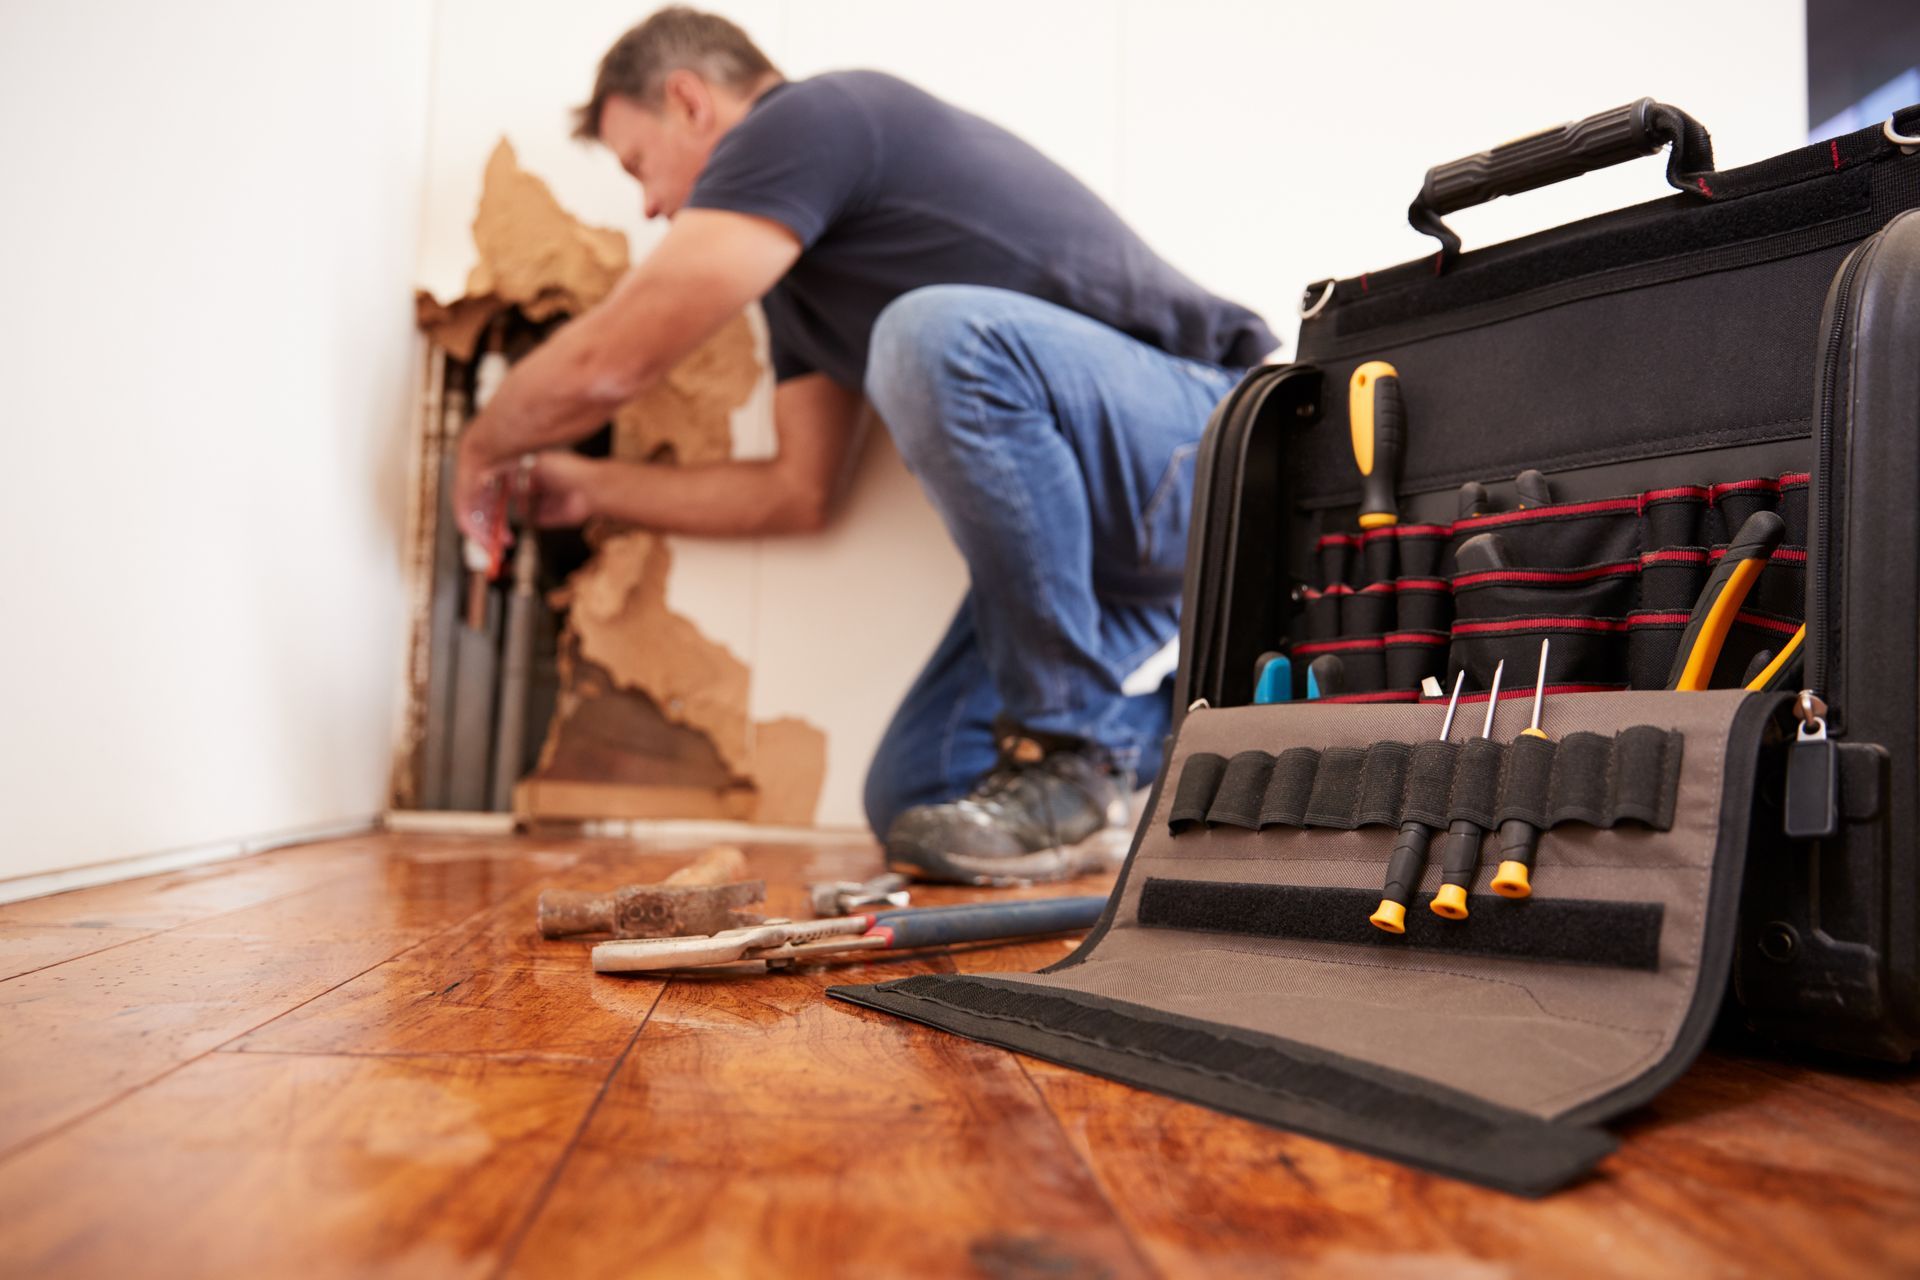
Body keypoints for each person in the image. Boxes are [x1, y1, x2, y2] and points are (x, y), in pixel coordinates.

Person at [455, 7, 1277, 884]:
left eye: (639, 166)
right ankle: (1236, 741)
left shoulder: (811, 121)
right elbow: (797, 490)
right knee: (922, 791)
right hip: (1102, 554)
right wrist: (588, 488)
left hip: (1208, 447)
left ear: (689, 101)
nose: (652, 206)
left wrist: (481, 445)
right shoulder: (798, 290)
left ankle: (1069, 754)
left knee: (930, 335)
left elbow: (620, 359)